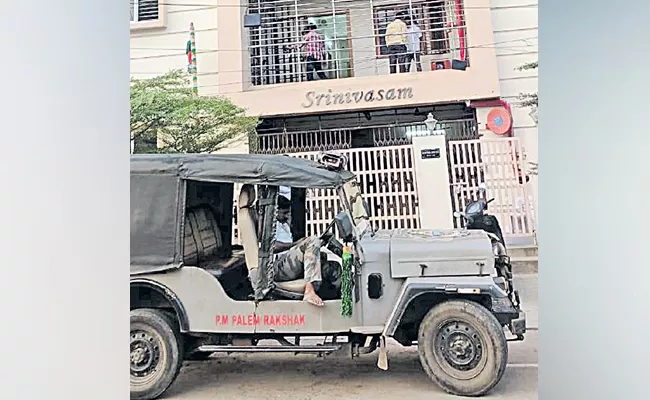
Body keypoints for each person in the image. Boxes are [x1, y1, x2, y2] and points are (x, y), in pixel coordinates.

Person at [273, 196, 325, 306]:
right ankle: (309, 291)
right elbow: (272, 246)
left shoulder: (284, 225)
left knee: (329, 265)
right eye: (285, 213)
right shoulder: (269, 224)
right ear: (275, 211)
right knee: (312, 241)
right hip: (276, 266)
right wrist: (296, 244)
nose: (287, 216)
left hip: (286, 263)